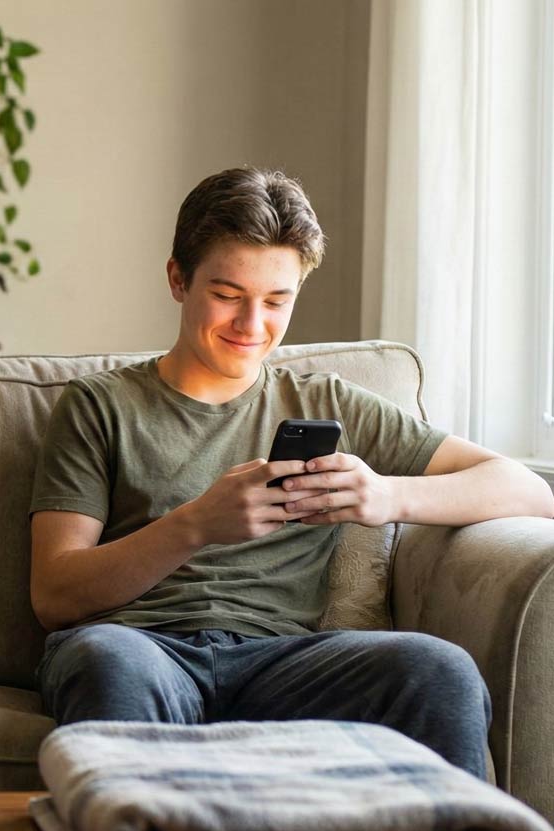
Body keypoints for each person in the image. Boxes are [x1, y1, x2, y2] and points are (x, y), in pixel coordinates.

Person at [28, 166, 554, 779]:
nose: (252, 326)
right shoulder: (100, 405)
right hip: (142, 647)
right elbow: (55, 596)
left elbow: (527, 490)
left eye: (277, 301)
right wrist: (196, 525)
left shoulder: (329, 405)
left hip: (284, 660)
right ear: (178, 279)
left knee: (438, 670)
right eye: (227, 295)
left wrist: (384, 494)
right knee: (105, 659)